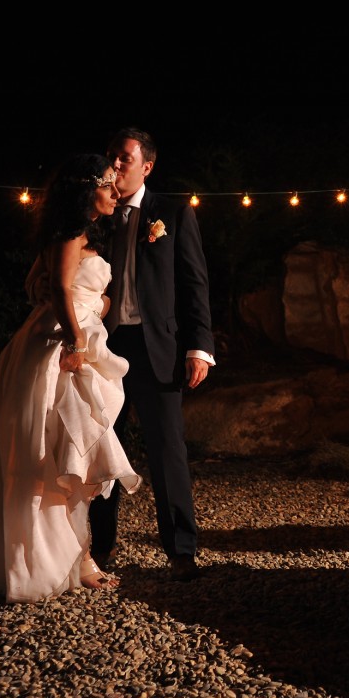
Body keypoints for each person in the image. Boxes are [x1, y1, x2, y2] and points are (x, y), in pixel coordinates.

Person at [0, 153, 141, 603]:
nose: (115, 192)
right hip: (61, 349)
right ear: (85, 191)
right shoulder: (70, 233)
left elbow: (37, 285)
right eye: (107, 184)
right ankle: (60, 560)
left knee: (74, 452)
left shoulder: (73, 234)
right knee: (63, 450)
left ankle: (75, 556)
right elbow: (54, 288)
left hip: (67, 336)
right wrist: (76, 342)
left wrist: (97, 304)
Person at [88, 127, 215, 583]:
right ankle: (98, 547)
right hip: (104, 346)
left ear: (147, 166)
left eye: (125, 157)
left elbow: (194, 284)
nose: (115, 164)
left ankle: (181, 550)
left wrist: (200, 347)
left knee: (167, 450)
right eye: (112, 156)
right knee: (102, 447)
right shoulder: (98, 215)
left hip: (156, 347)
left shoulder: (173, 213)